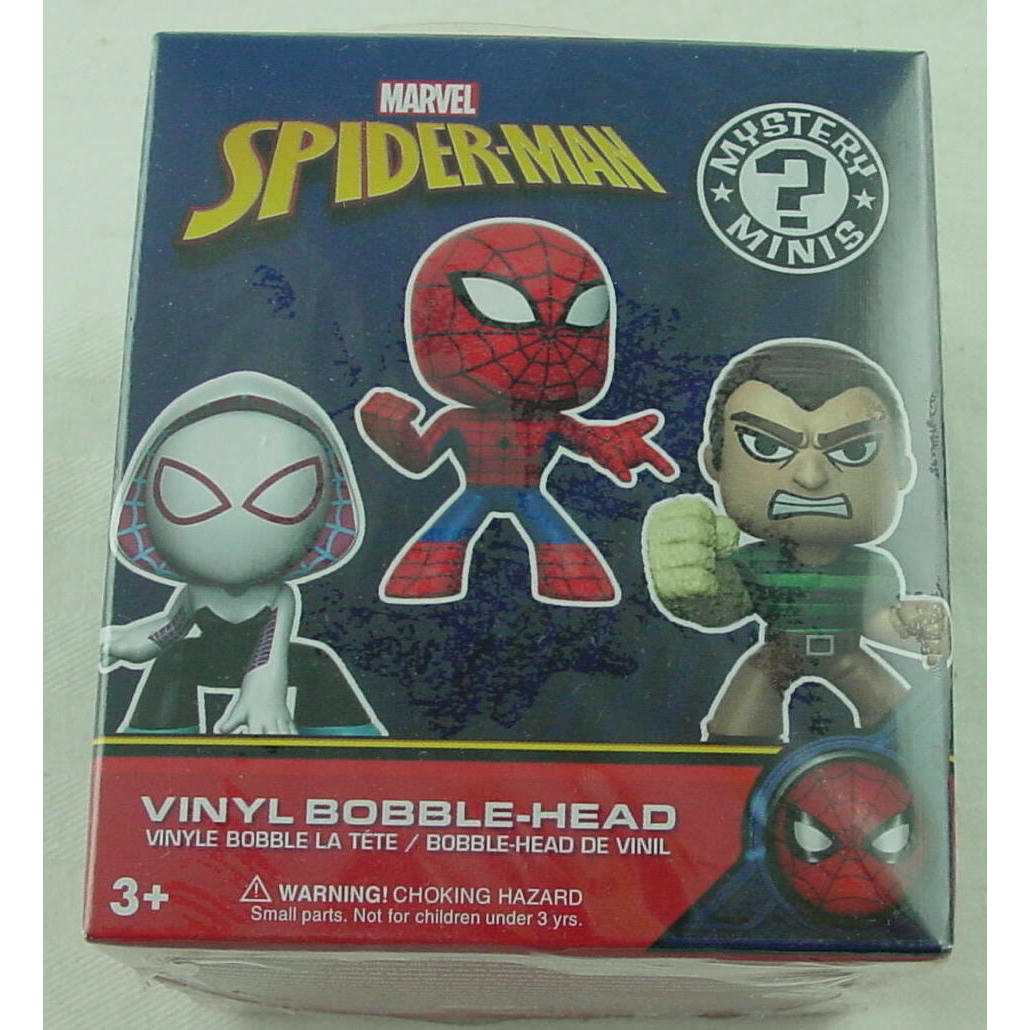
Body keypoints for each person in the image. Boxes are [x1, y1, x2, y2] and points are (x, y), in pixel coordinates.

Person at [644, 339, 949, 742]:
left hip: (846, 653)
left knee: (909, 731)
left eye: (855, 449)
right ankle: (735, 764)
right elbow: (723, 607)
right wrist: (688, 585)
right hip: (778, 654)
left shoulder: (872, 567)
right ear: (713, 463)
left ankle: (901, 755)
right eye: (766, 446)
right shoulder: (754, 563)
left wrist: (916, 627)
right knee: (742, 725)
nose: (811, 477)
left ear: (903, 472)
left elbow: (875, 621)